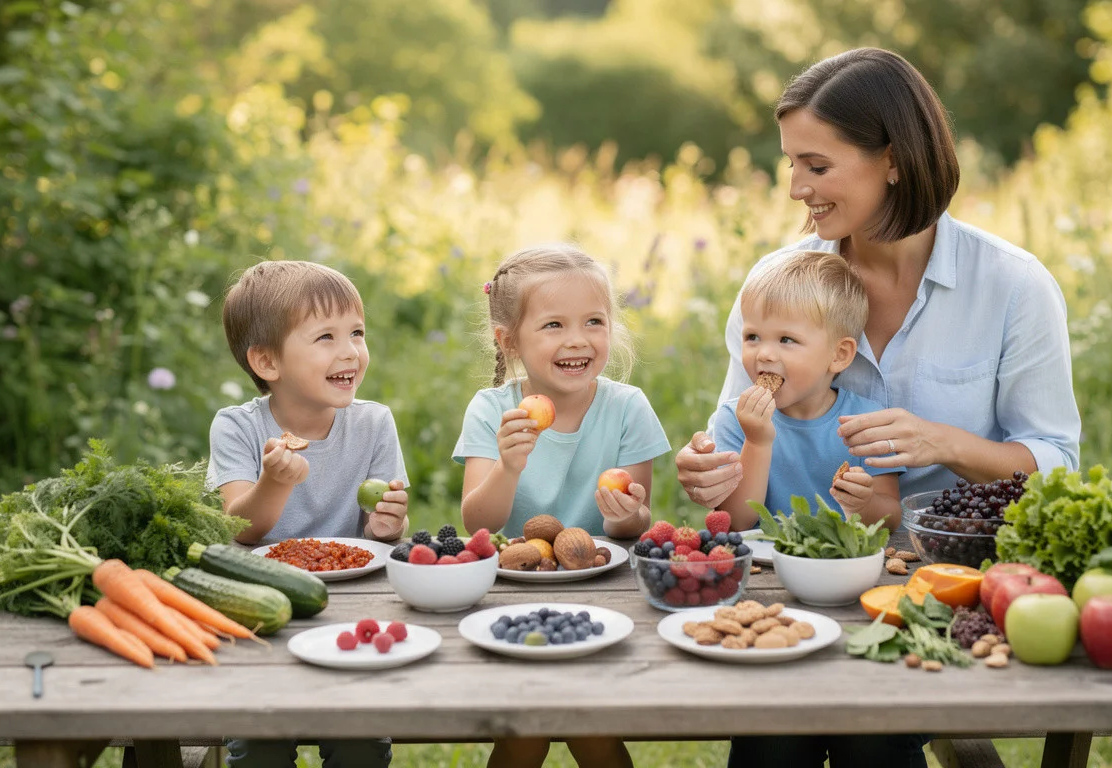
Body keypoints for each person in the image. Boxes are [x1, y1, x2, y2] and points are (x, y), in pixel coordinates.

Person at [675, 48, 1082, 768]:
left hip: (941, 581)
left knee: (871, 731)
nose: (797, 187)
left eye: (817, 165)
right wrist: (713, 467)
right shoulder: (781, 284)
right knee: (775, 740)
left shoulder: (1013, 288)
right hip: (796, 577)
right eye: (791, 163)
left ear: (892, 160)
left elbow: (1054, 461)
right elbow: (741, 434)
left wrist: (943, 444)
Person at [453, 243, 670, 768]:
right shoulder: (494, 410)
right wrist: (508, 466)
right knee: (524, 731)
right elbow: (479, 523)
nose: (578, 340)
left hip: (603, 588)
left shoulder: (626, 408)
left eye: (594, 321)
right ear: (509, 342)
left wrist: (628, 515)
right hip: (514, 588)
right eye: (553, 325)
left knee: (589, 727)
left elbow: (634, 526)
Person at [208, 260, 406, 768]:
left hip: (353, 605)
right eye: (326, 337)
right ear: (267, 362)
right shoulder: (237, 428)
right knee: (261, 745)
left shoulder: (373, 423)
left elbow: (377, 537)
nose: (351, 351)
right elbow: (242, 527)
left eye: (357, 332)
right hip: (263, 611)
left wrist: (386, 526)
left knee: (361, 743)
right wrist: (274, 482)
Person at [712, 249, 903, 531]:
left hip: (841, 567)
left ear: (839, 355)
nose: (764, 353)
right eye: (752, 336)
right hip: (761, 570)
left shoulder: (868, 423)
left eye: (786, 339)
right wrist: (757, 442)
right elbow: (734, 523)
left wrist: (864, 504)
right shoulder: (735, 420)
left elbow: (891, 519)